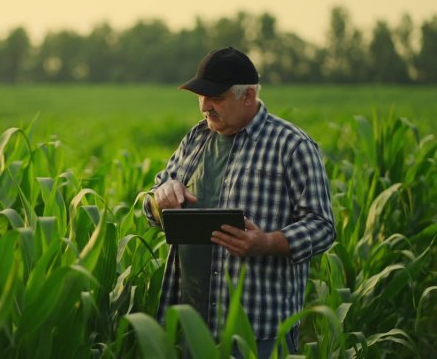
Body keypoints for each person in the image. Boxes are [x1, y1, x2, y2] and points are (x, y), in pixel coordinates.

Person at [143, 47, 336, 358]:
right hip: (189, 325)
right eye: (200, 96)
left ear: (248, 96)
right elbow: (151, 202)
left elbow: (323, 226)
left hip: (257, 333)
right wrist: (159, 199)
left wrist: (268, 242)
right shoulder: (196, 139)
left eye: (215, 97)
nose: (205, 106)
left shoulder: (292, 146)